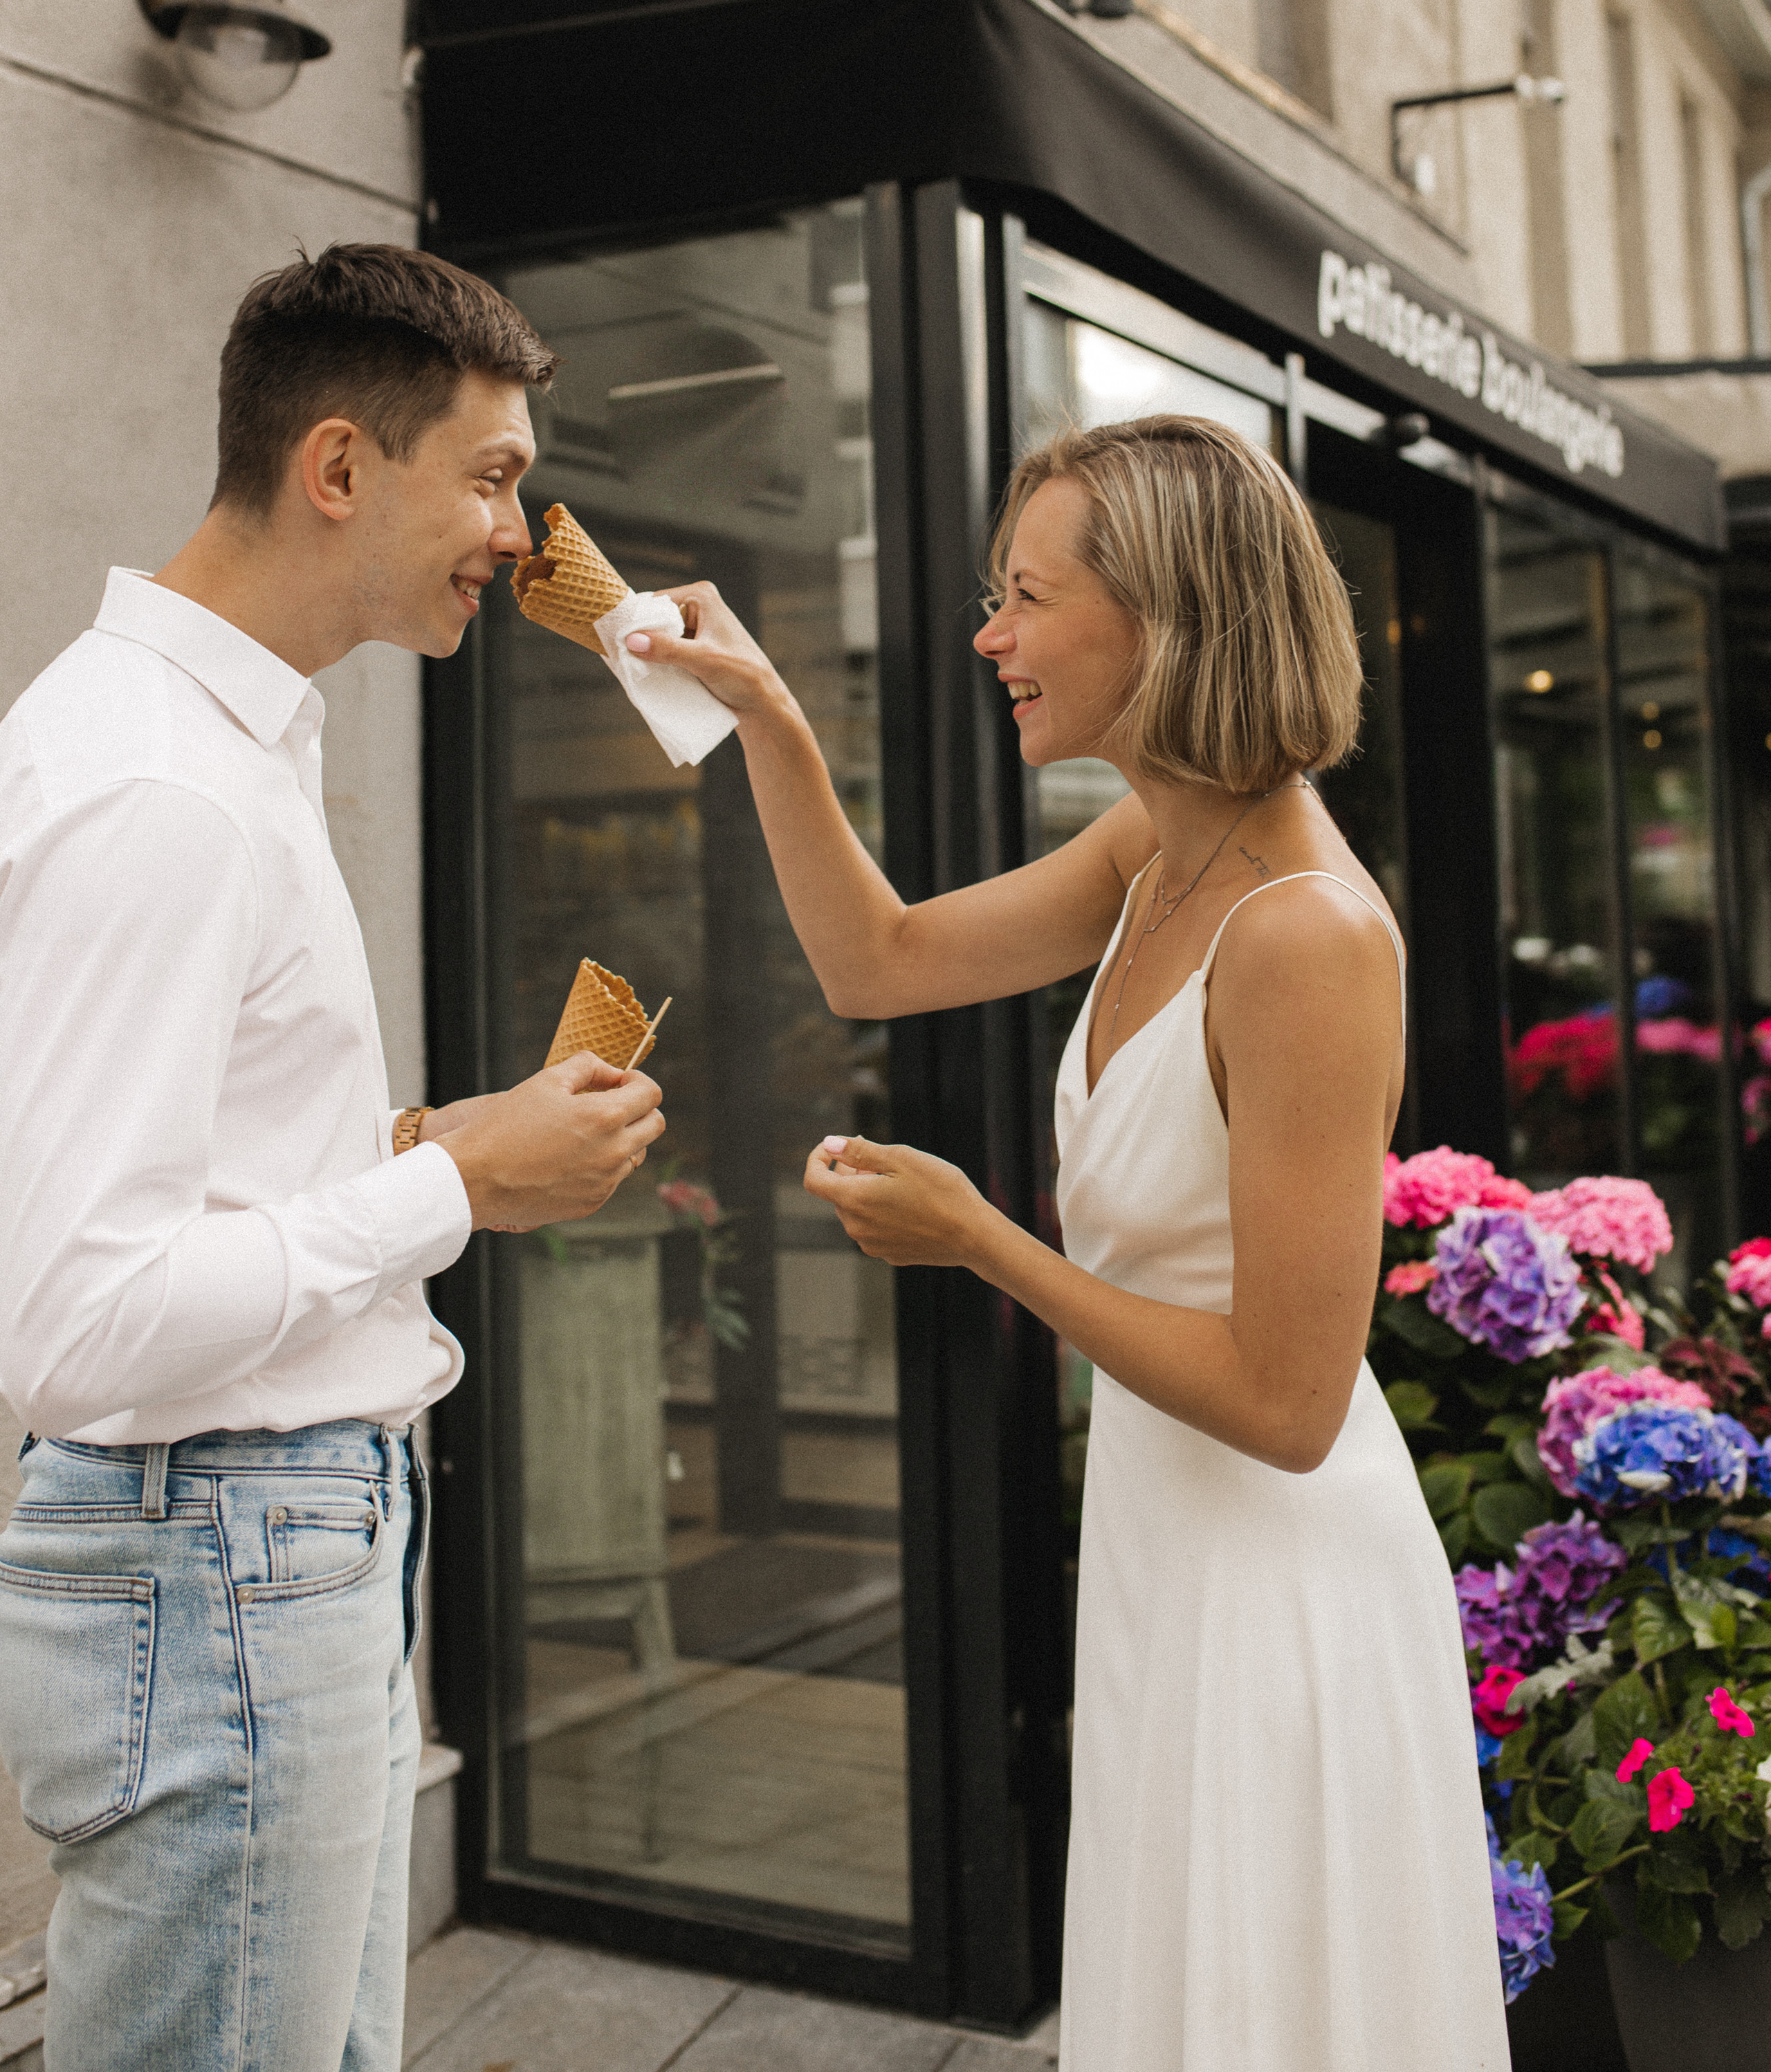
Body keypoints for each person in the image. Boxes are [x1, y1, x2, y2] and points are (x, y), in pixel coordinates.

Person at [627, 414, 1507, 2070]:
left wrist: (982, 1242)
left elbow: (1287, 1402)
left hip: (1277, 1572)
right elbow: (874, 960)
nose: (988, 639)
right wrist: (767, 716)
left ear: (1166, 619)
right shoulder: (1151, 849)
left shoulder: (1302, 933)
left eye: (1024, 598)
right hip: (1163, 1535)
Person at [0, 246, 666, 2072]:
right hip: (227, 1544)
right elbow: (71, 1324)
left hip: (261, 1539)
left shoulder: (209, 750)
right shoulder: (164, 788)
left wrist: (427, 1145)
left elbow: (177, 1181)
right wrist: (452, 1186)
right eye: (495, 474)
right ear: (340, 467)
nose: (525, 538)